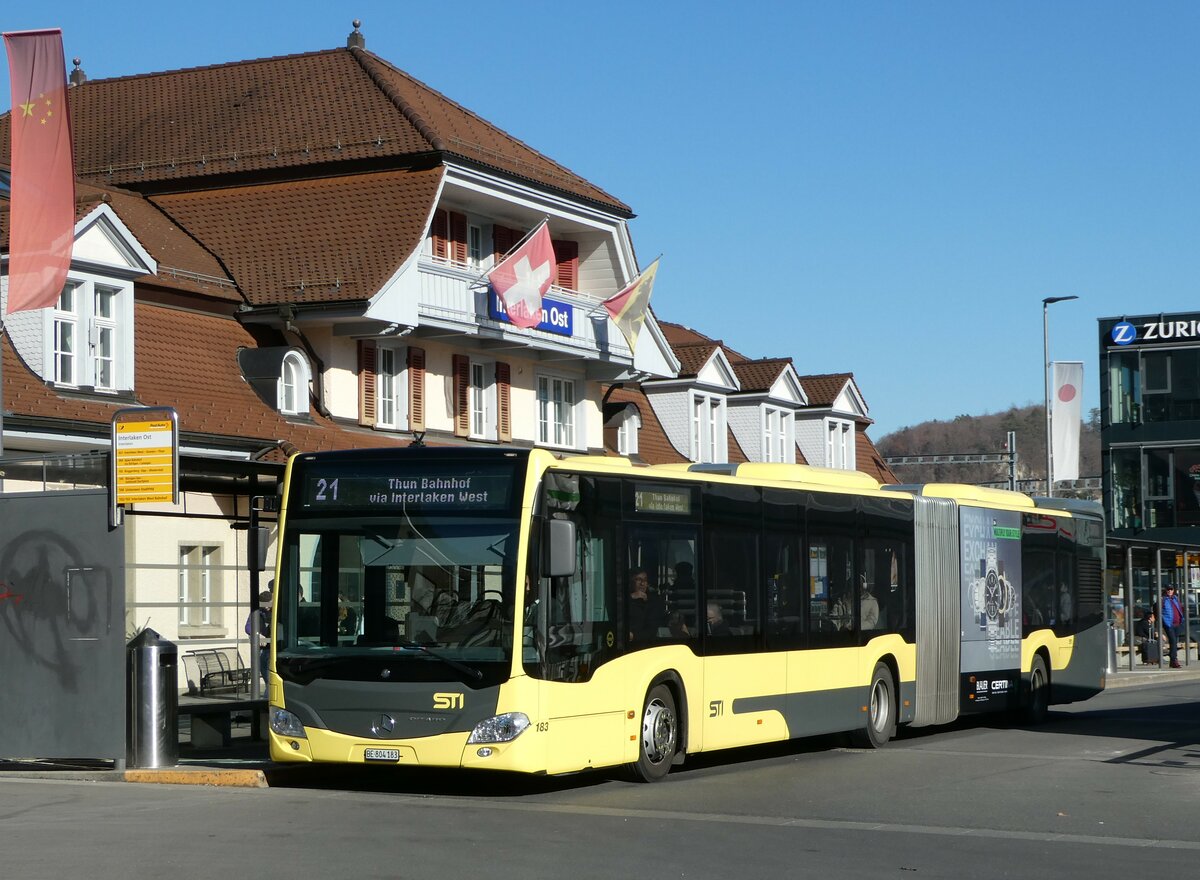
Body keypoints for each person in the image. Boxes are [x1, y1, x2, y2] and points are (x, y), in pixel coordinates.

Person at [244, 586, 273, 688]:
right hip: (264, 650)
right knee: (267, 680)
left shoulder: (276, 611)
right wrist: (257, 635)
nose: (266, 608)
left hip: (274, 649)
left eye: (268, 604)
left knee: (270, 682)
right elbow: (248, 627)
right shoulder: (258, 611)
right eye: (264, 605)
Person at [627, 568, 664, 642]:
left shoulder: (653, 602)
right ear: (631, 582)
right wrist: (631, 597)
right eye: (638, 580)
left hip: (644, 643)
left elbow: (651, 630)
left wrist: (633, 636)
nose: (642, 584)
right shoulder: (625, 598)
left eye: (645, 580)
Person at [1161, 585, 1186, 668]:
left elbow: (1180, 608)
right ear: (1165, 590)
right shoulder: (1163, 599)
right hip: (1169, 624)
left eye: (1171, 589)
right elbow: (1158, 611)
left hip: (1177, 623)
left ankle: (1173, 661)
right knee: (1173, 641)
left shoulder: (1175, 598)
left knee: (1174, 642)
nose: (1170, 591)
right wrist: (1163, 621)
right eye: (1168, 589)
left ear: (1173, 590)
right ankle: (1174, 660)